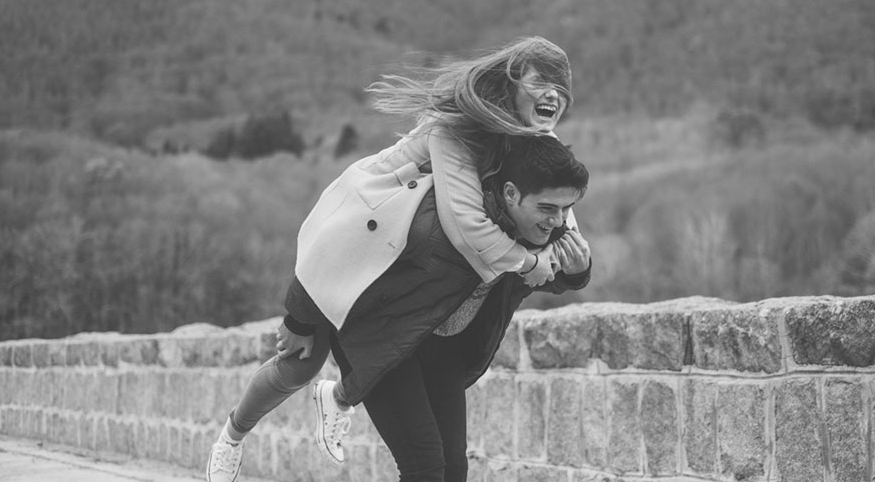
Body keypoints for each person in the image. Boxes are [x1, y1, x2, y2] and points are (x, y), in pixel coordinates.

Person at [206, 36, 584, 482]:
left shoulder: (534, 143)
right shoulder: (458, 125)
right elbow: (466, 225)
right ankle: (232, 436)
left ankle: (340, 396)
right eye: (544, 83)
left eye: (563, 88)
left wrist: (574, 266)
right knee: (300, 361)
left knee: (439, 463)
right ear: (514, 80)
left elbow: (558, 218)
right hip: (363, 239)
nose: (554, 95)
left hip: (410, 279)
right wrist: (299, 312)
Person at [314, 133, 591, 482]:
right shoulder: (452, 222)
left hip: (443, 349)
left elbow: (545, 276)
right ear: (510, 194)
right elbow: (341, 252)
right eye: (548, 209)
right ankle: (341, 393)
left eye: (566, 209)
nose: (557, 221)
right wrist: (301, 322)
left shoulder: (538, 231)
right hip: (384, 339)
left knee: (453, 470)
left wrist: (578, 273)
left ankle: (341, 392)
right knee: (425, 468)